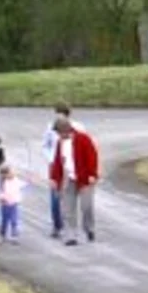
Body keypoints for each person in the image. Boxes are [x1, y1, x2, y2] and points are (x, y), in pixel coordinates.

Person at [48, 116, 100, 246]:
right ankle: (71, 235)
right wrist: (54, 178)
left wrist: (92, 174)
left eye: (59, 132)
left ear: (66, 130)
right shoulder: (60, 143)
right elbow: (58, 162)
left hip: (85, 178)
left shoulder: (83, 138)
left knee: (86, 206)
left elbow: (92, 156)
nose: (58, 135)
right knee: (67, 207)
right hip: (69, 178)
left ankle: (89, 229)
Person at [40, 103, 82, 239]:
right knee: (55, 195)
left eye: (61, 114)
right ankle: (57, 225)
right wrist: (50, 159)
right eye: (57, 114)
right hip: (55, 164)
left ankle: (70, 225)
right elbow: (45, 145)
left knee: (70, 196)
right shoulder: (50, 127)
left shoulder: (77, 127)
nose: (58, 117)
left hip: (70, 165)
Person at [0, 164, 25, 243]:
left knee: (14, 220)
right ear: (5, 175)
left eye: (13, 172)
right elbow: (0, 192)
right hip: (5, 204)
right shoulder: (3, 182)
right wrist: (2, 198)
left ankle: (14, 235)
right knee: (4, 220)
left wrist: (30, 181)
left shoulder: (16, 180)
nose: (13, 173)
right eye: (11, 172)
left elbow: (21, 185)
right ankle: (2, 234)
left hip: (14, 204)